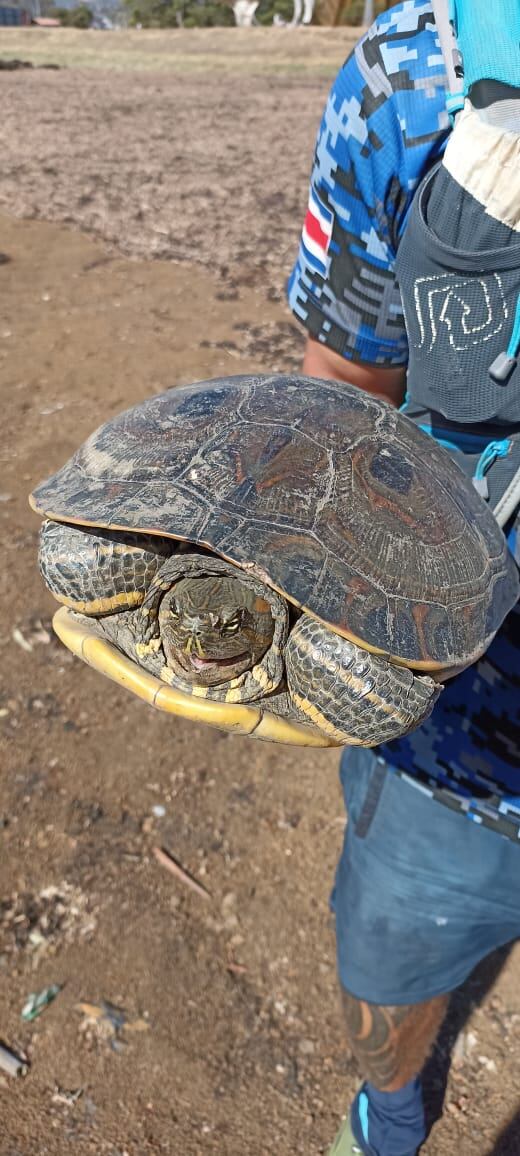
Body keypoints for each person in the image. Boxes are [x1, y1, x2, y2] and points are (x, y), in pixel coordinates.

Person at [287, 2, 520, 1153]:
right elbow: (343, 394)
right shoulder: (414, 76)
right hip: (457, 729)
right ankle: (390, 1114)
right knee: (390, 960)